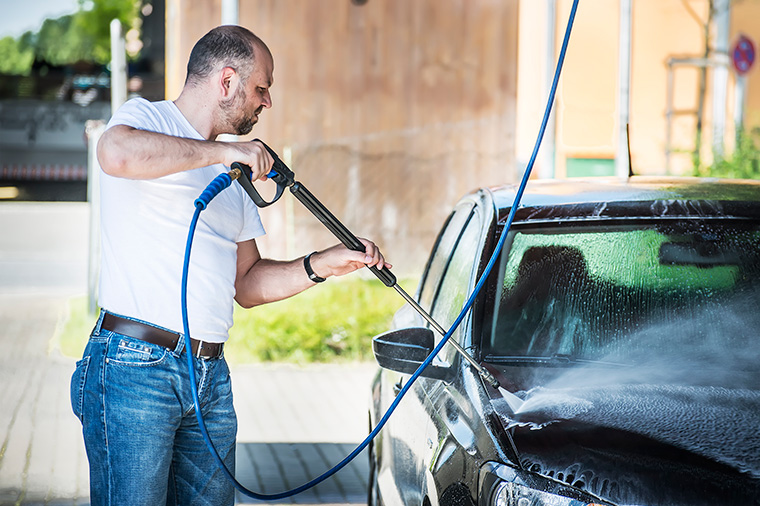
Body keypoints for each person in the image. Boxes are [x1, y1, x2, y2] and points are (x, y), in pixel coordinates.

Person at [69, 25, 389, 506]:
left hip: (208, 376)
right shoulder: (146, 119)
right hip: (134, 367)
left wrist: (323, 263)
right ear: (226, 81)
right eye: (261, 88)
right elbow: (115, 154)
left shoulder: (234, 175)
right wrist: (223, 151)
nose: (267, 102)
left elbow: (246, 282)